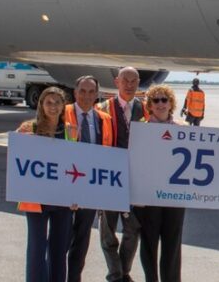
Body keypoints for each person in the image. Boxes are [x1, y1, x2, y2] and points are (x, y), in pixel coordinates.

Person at [17, 87, 75, 282]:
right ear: (41, 105)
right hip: (36, 199)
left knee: (59, 249)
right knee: (37, 247)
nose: (53, 106)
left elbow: (77, 165)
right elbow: (17, 161)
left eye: (57, 102)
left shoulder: (70, 131)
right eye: (49, 102)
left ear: (63, 106)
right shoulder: (28, 128)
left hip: (62, 198)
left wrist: (77, 195)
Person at [133, 84, 186, 282]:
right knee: (148, 242)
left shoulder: (183, 128)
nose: (161, 104)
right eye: (156, 100)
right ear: (150, 105)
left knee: (173, 243)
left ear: (171, 103)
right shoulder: (141, 129)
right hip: (149, 196)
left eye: (165, 99)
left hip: (175, 196)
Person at [64, 76, 114, 282]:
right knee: (62, 236)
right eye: (82, 91)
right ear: (75, 92)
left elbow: (109, 151)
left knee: (82, 238)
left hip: (90, 186)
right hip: (65, 184)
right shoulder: (63, 113)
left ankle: (74, 278)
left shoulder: (104, 119)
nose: (87, 96)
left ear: (97, 94)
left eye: (91, 92)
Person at [98, 67, 144, 282]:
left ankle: (123, 271)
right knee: (107, 232)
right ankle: (116, 275)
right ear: (117, 82)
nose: (129, 84)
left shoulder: (145, 109)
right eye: (125, 80)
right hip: (108, 178)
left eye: (134, 80)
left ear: (138, 83)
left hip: (133, 179)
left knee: (132, 229)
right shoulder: (103, 108)